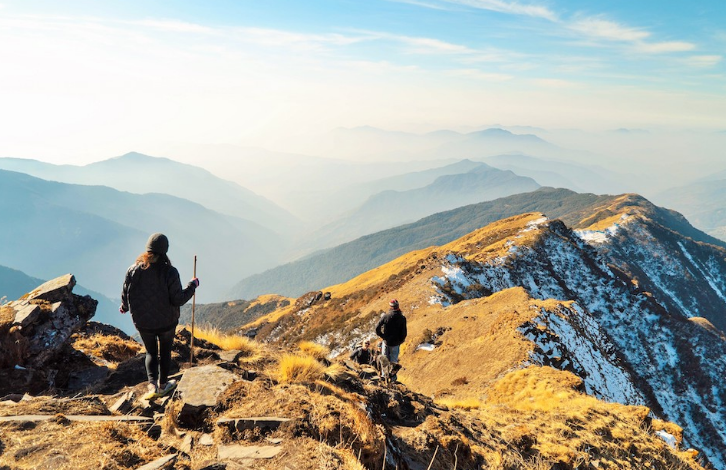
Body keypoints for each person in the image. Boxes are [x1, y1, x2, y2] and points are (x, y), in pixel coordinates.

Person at [120, 233, 199, 398]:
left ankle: (152, 385)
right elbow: (178, 299)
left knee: (150, 352)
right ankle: (163, 386)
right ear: (165, 250)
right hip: (166, 322)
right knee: (164, 353)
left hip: (142, 322)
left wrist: (125, 307)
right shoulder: (170, 272)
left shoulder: (133, 270)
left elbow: (126, 292)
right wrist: (192, 285)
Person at [375, 299, 407, 380]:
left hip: (386, 342)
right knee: (393, 361)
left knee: (384, 359)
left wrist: (382, 336)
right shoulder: (402, 318)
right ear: (398, 306)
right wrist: (400, 341)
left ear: (390, 307)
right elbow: (404, 332)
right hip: (396, 343)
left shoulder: (386, 316)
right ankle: (392, 378)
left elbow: (377, 328)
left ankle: (383, 376)